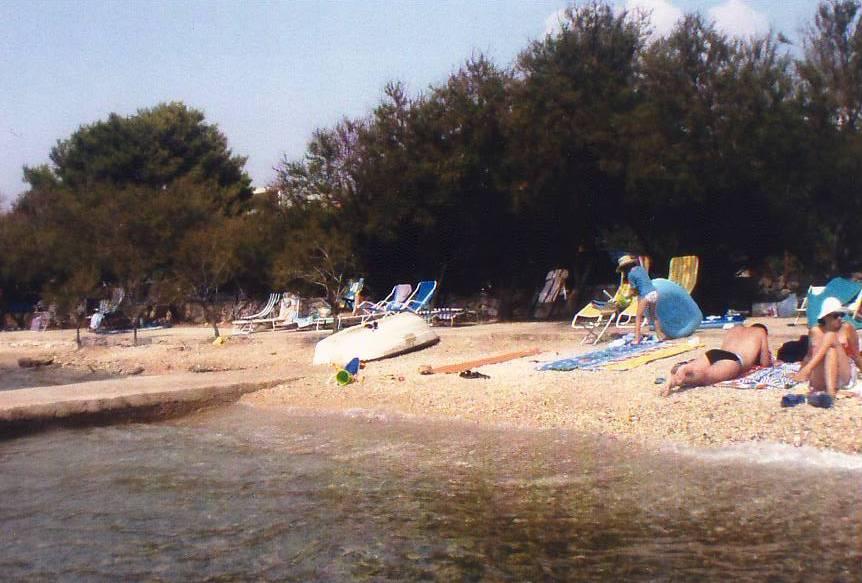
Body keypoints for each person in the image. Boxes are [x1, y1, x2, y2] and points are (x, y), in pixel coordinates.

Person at [663, 324, 771, 396]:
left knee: (696, 367)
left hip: (715, 353)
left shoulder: (735, 328)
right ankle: (678, 379)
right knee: (706, 376)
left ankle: (686, 368)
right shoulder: (761, 331)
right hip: (735, 360)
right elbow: (765, 363)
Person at [793, 297, 861, 396]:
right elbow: (809, 355)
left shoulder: (847, 328)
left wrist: (805, 370)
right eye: (836, 315)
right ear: (825, 317)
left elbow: (856, 356)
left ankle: (809, 372)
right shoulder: (815, 331)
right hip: (821, 376)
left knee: (830, 336)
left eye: (842, 315)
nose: (840, 318)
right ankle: (830, 393)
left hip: (843, 373)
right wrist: (800, 370)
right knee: (830, 351)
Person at [616, 255, 663, 344]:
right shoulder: (641, 269)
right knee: (654, 316)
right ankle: (660, 336)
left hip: (645, 295)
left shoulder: (630, 275)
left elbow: (634, 290)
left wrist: (628, 296)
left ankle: (637, 338)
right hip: (654, 292)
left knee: (638, 317)